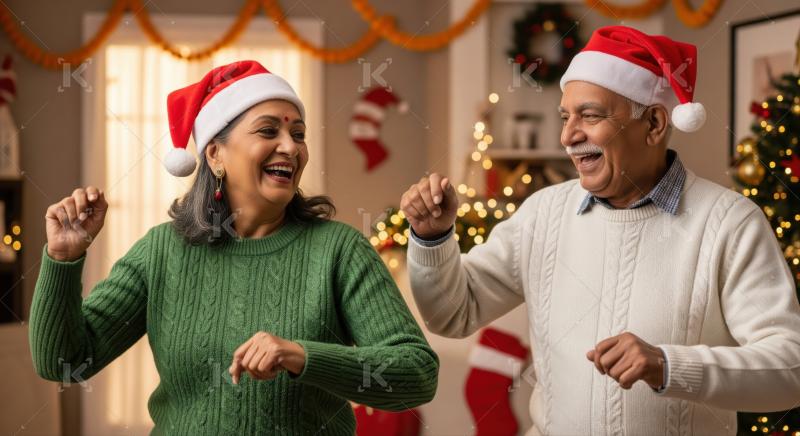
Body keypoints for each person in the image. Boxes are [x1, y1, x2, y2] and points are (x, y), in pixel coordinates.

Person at [402, 26, 800, 435]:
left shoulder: (729, 222)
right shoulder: (543, 213)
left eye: (590, 115)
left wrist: (668, 366)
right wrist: (432, 238)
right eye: (565, 117)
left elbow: (791, 369)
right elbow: (453, 314)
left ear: (654, 123)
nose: (568, 136)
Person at [30, 60, 438, 435]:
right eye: (268, 131)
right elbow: (63, 363)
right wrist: (63, 259)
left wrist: (303, 356)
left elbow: (417, 374)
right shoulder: (161, 252)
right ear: (215, 155)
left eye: (298, 134)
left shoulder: (339, 250)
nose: (291, 147)